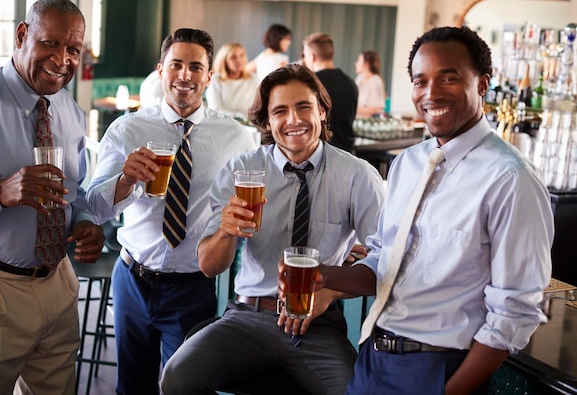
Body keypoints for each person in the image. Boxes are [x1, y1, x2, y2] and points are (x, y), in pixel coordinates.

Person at [280, 26, 554, 395]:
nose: (431, 93)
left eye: (449, 77)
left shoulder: (510, 178)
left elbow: (515, 313)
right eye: (419, 80)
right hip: (373, 359)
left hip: (439, 368)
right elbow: (383, 265)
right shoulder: (407, 164)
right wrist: (325, 276)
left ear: (483, 84)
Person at [161, 64, 385, 395]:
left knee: (357, 393)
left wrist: (329, 292)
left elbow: (386, 259)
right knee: (177, 378)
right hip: (247, 317)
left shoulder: (357, 175)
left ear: (322, 112)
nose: (293, 120)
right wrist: (225, 232)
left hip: (318, 325)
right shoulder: (243, 170)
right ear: (267, 122)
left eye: (304, 107)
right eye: (280, 111)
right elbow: (210, 267)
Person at [86, 28, 257, 395]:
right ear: (160, 70)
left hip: (192, 286)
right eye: (176, 64)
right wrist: (125, 178)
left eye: (196, 67)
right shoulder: (127, 128)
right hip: (133, 278)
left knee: (185, 387)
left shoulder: (237, 138)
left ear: (209, 76)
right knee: (131, 387)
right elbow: (94, 206)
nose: (185, 75)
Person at [0, 0, 105, 395]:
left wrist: (86, 222)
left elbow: (78, 192)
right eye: (51, 43)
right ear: (22, 35)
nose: (63, 59)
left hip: (58, 283)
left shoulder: (70, 110)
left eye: (73, 49)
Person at [302, 32, 358, 153]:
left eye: (305, 55)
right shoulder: (350, 83)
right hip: (347, 153)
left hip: (321, 156)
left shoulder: (310, 84)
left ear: (312, 56)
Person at [205, 42, 259, 120]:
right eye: (233, 57)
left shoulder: (254, 79)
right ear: (224, 61)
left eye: (241, 55)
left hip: (249, 125)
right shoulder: (215, 80)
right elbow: (214, 110)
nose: (238, 60)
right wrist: (239, 115)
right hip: (223, 124)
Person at [354, 50, 387, 118]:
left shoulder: (376, 80)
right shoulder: (359, 79)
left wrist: (353, 110)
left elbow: (377, 108)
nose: (356, 63)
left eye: (359, 61)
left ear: (366, 64)